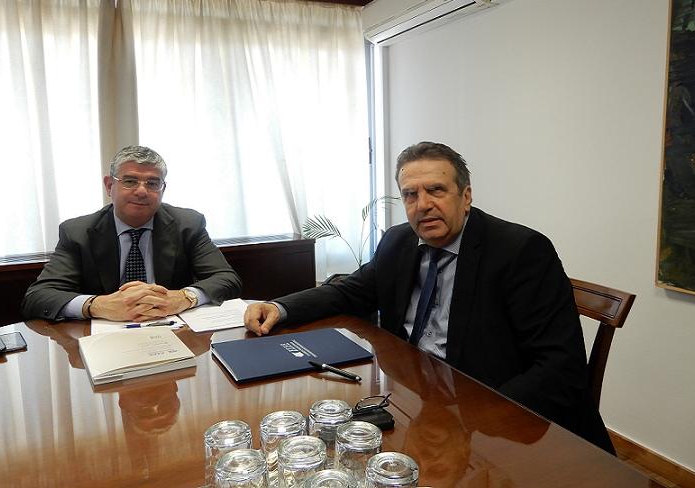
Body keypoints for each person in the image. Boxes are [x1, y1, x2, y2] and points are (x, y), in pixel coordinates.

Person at [245, 141, 614, 453]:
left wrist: (469, 418)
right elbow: (350, 291)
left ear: (466, 196)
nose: (422, 204)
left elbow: (559, 368)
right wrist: (279, 306)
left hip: (503, 427)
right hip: (415, 398)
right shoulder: (398, 241)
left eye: (436, 190)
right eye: (411, 194)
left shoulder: (520, 252)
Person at [22, 145, 241, 322]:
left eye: (153, 183)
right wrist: (97, 305)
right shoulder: (78, 232)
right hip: (104, 337)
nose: (142, 191)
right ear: (109, 186)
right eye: (130, 181)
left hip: (171, 330)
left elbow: (227, 279)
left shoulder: (188, 224)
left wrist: (185, 297)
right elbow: (38, 296)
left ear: (163, 189)